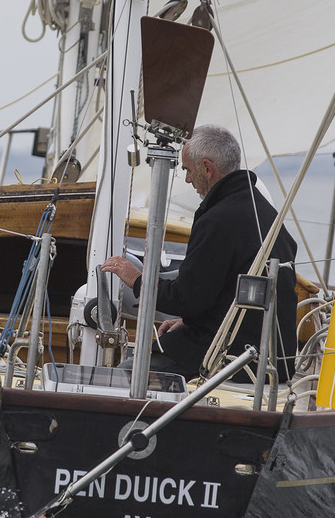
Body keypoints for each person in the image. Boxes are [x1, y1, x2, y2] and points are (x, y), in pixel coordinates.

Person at [101, 124, 297, 381]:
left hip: (234, 359)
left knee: (126, 373)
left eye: (188, 170)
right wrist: (188, 321)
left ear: (207, 168)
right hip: (272, 359)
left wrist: (137, 280)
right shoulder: (265, 213)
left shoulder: (219, 220)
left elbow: (187, 299)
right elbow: (224, 293)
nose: (187, 179)